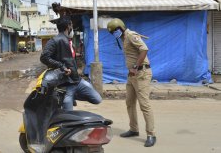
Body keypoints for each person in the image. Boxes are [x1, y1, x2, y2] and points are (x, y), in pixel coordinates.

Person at [107, 18, 156, 147]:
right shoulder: (123, 38)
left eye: (114, 31)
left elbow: (144, 49)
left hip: (141, 73)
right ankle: (134, 129)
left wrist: (135, 67)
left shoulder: (130, 35)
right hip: (132, 75)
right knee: (129, 102)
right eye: (112, 32)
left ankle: (151, 134)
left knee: (144, 105)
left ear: (121, 28)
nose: (114, 34)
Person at [40, 15, 102, 110]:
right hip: (66, 84)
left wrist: (75, 55)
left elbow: (66, 57)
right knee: (68, 115)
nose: (72, 28)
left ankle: (73, 96)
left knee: (97, 99)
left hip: (77, 80)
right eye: (71, 26)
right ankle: (64, 96)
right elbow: (44, 57)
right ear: (68, 26)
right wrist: (62, 66)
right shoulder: (55, 40)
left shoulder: (69, 41)